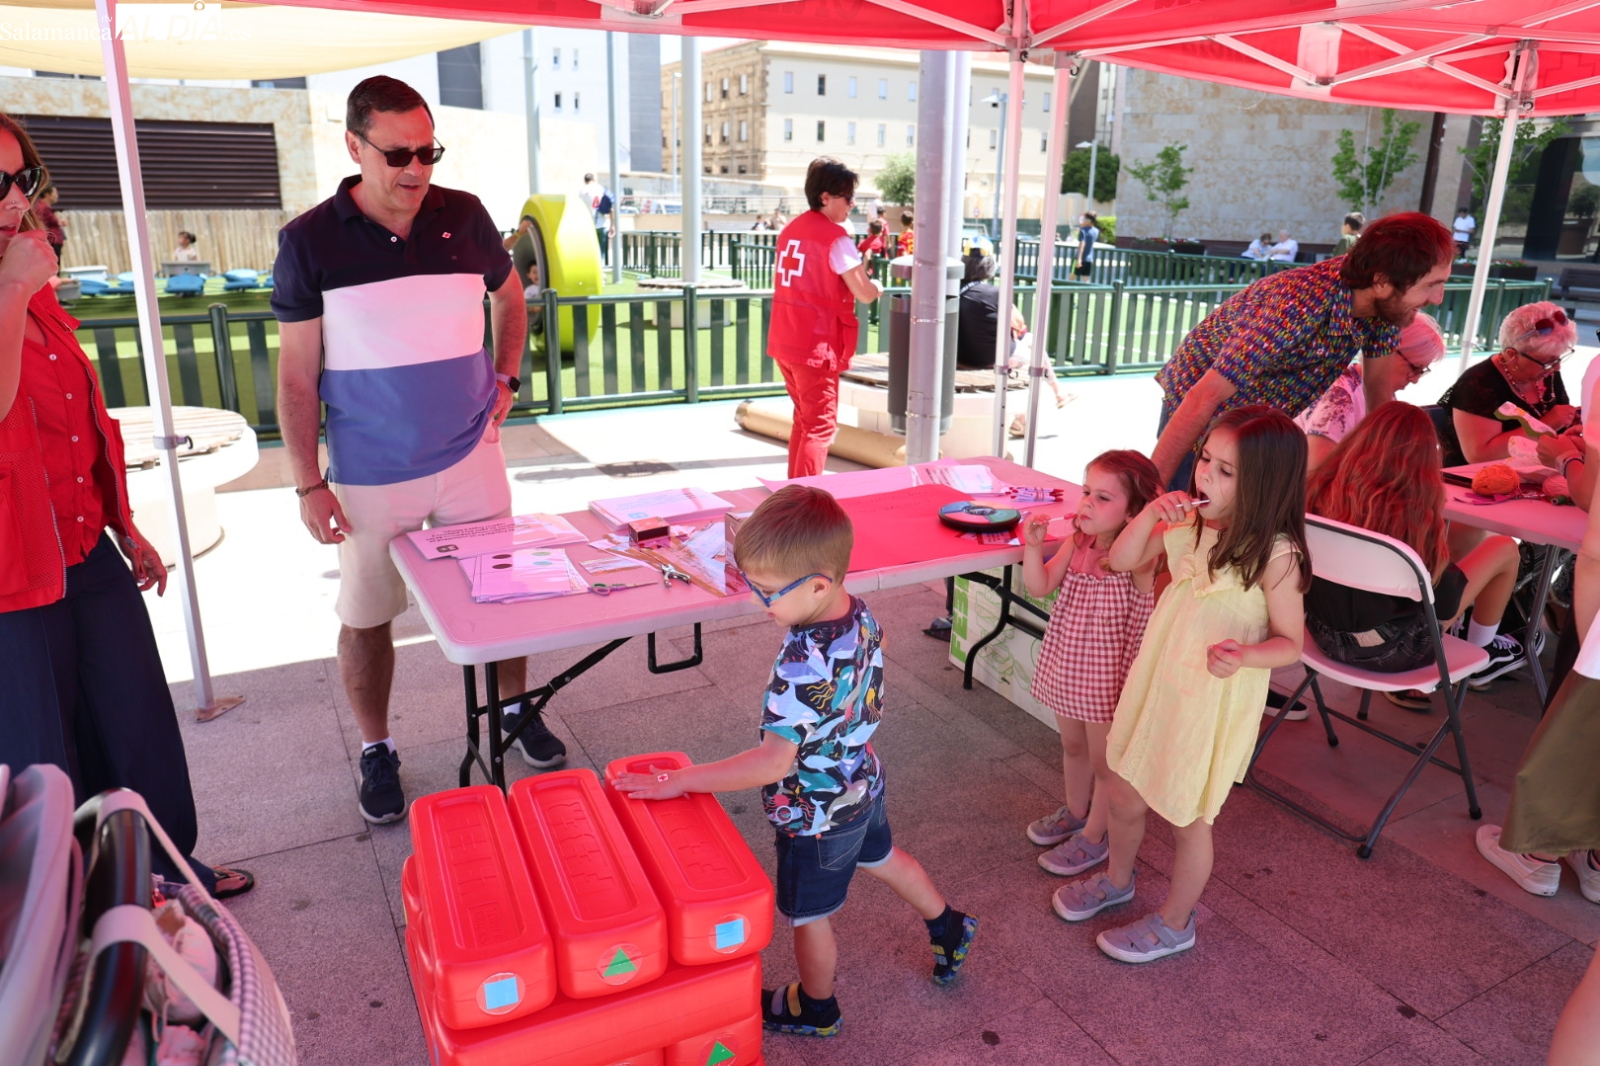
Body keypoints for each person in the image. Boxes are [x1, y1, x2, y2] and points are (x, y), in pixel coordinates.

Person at [272, 76, 546, 827]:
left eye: (428, 152)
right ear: (354, 147)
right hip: (369, 472)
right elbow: (295, 374)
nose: (416, 169)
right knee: (367, 617)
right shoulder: (308, 241)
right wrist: (308, 484)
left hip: (470, 456)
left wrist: (507, 377)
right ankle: (376, 748)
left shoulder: (466, 214)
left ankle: (513, 712)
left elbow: (509, 296)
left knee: (501, 594)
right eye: (398, 154)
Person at [613, 486, 978, 1036]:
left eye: (767, 592)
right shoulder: (857, 611)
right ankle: (948, 925)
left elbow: (772, 763)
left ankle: (816, 1007)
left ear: (817, 585)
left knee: (809, 916)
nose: (759, 603)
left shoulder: (802, 665)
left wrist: (683, 780)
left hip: (815, 813)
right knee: (883, 858)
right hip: (861, 781)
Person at [0, 112, 251, 898]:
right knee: (43, 752)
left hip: (82, 548)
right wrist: (12, 288)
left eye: (21, 179)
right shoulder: (17, 283)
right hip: (13, 573)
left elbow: (76, 421)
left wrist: (121, 522)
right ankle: (72, 913)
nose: (16, 200)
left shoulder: (28, 284)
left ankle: (163, 871)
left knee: (134, 717)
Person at [1053, 407, 1309, 962]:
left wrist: (1245, 655)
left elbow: (1291, 642)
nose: (1205, 476)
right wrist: (1149, 513)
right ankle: (1118, 879)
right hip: (1157, 680)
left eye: (1226, 471)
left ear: (1264, 483)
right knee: (1124, 788)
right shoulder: (1187, 525)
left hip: (1211, 702)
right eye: (1205, 460)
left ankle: (1176, 921)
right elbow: (1121, 559)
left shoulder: (1277, 554)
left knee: (1189, 816)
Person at [1150, 211, 1455, 490]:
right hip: (1200, 411)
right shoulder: (1297, 306)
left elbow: (1378, 392)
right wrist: (1149, 494)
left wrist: (1395, 466)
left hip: (1258, 418)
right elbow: (1203, 397)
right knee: (1175, 510)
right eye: (1431, 285)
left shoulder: (1386, 306)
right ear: (1381, 281)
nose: (1438, 298)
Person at [1304, 401, 1529, 707]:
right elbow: (1444, 605)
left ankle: (1480, 655)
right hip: (1393, 651)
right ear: (1425, 458)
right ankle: (1482, 657)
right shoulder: (1412, 517)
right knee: (1503, 548)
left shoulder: (1316, 490)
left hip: (1321, 636)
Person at [1021, 451, 1161, 880]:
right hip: (1069, 663)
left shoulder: (1138, 557)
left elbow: (1152, 537)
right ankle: (1077, 811)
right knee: (1072, 744)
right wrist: (1032, 546)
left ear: (1134, 513)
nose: (1086, 504)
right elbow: (1039, 585)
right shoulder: (1078, 541)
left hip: (1107, 678)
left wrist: (1148, 516)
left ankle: (1095, 836)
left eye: (1103, 498)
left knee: (1105, 763)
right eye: (1086, 492)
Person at [766, 158, 882, 478]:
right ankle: (805, 499)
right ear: (826, 197)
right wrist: (877, 288)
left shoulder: (790, 230)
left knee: (805, 420)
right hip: (815, 345)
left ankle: (793, 493)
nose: (852, 204)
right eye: (848, 197)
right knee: (820, 426)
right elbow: (864, 293)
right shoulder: (835, 239)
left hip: (786, 339)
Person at [1295, 312, 1445, 473]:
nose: (1415, 379)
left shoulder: (1380, 393)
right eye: (1415, 368)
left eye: (1422, 371)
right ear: (1388, 350)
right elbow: (1318, 473)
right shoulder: (1339, 398)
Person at [1437, 301, 1578, 465]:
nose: (1557, 367)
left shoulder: (1546, 372)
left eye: (1559, 358)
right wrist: (1546, 424)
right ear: (1512, 355)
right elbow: (1479, 456)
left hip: (1536, 469)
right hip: (1479, 475)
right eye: (1548, 361)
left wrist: (1574, 426)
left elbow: (1560, 427)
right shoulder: (1479, 383)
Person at [581, 172, 614, 264]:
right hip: (602, 225)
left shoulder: (582, 191)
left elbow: (579, 208)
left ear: (585, 181)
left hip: (588, 226)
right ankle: (600, 269)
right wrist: (612, 226)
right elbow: (611, 209)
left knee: (589, 253)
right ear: (594, 180)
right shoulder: (602, 189)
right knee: (601, 254)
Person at [35, 183, 64, 255]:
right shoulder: (42, 208)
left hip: (53, 240)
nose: (57, 196)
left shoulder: (46, 208)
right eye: (55, 193)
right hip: (50, 241)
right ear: (47, 194)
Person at [1074, 212, 1099, 280]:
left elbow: (1082, 244)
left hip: (1080, 258)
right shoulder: (1096, 231)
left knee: (1072, 276)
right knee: (1085, 278)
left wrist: (1079, 259)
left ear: (1088, 220)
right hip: (1089, 259)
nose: (1083, 220)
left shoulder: (1083, 231)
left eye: (1084, 219)